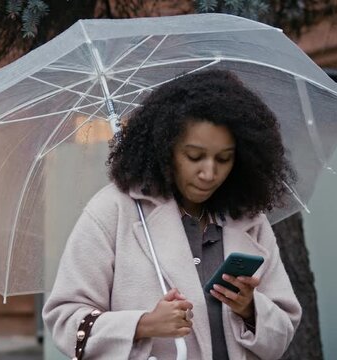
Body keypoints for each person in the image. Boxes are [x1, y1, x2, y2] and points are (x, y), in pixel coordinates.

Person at [42, 69, 302, 359]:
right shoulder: (112, 211)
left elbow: (284, 328)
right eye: (194, 156)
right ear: (165, 149)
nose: (209, 173)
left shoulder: (249, 220)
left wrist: (251, 309)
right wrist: (143, 324)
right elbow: (65, 321)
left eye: (224, 159)